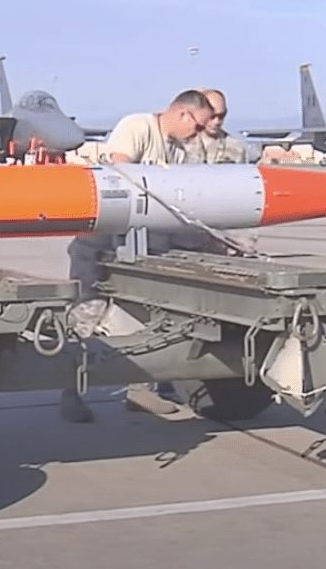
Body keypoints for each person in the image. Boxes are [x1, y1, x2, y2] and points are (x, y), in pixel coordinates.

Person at [60, 89, 216, 423]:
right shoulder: (139, 126)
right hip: (99, 248)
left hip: (133, 249)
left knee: (144, 319)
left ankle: (139, 390)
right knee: (86, 319)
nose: (199, 133)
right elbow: (122, 174)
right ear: (184, 114)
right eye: (199, 126)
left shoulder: (174, 146)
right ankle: (71, 394)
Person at [183, 88, 247, 165]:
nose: (216, 121)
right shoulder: (181, 144)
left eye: (221, 116)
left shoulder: (235, 148)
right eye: (212, 116)